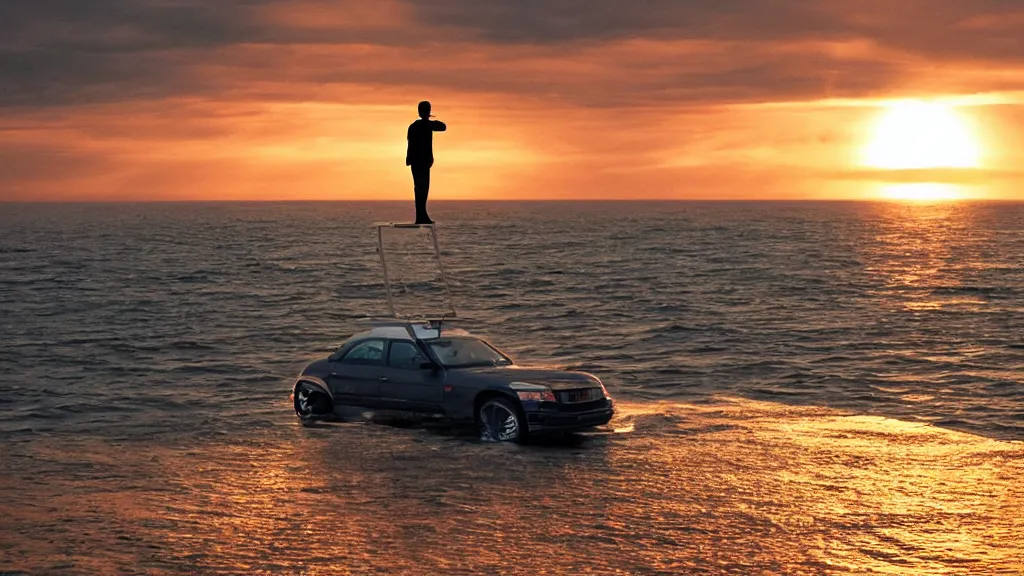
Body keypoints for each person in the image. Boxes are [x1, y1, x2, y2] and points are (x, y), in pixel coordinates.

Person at [406, 101, 447, 224]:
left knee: (419, 190)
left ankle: (421, 215)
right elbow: (443, 126)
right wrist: (429, 120)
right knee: (422, 190)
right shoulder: (426, 125)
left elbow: (442, 127)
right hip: (422, 162)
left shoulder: (414, 126)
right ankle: (421, 216)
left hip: (415, 162)